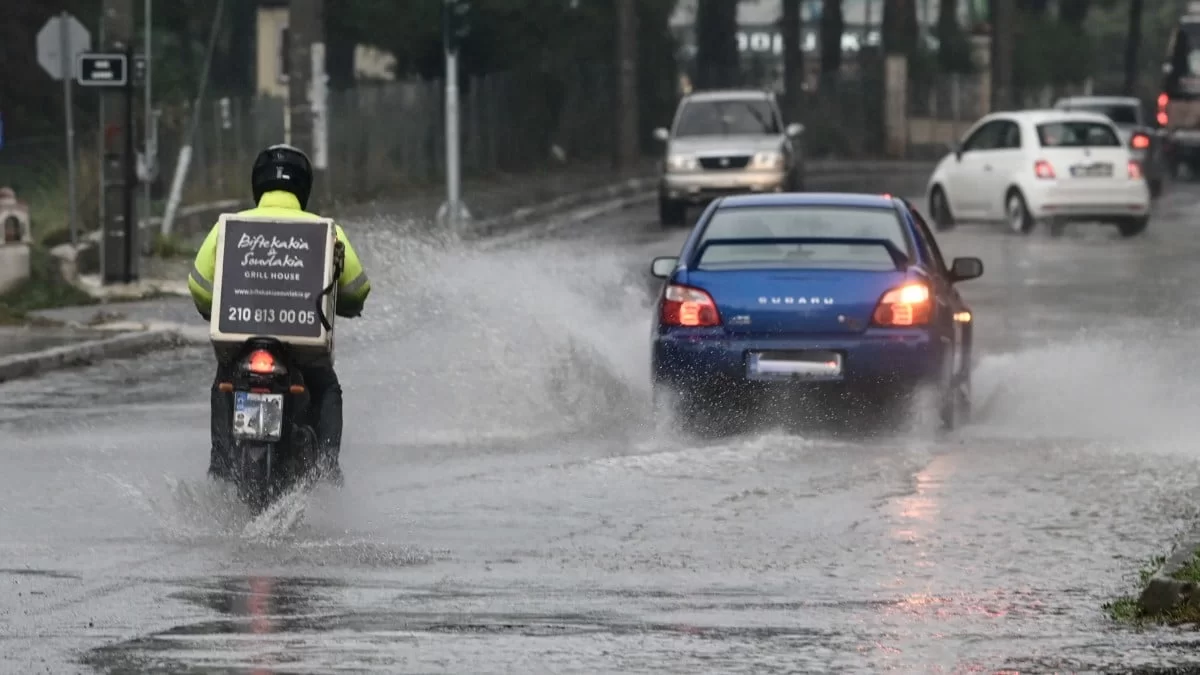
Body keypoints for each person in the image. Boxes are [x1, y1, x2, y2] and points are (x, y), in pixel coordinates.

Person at [187, 144, 371, 485]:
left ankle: (220, 463)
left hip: (242, 343)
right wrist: (346, 306)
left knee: (223, 383)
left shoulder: (229, 226)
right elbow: (357, 288)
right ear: (304, 187)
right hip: (302, 347)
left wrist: (212, 308)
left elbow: (198, 284)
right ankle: (328, 467)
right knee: (327, 387)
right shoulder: (326, 229)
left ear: (258, 185)